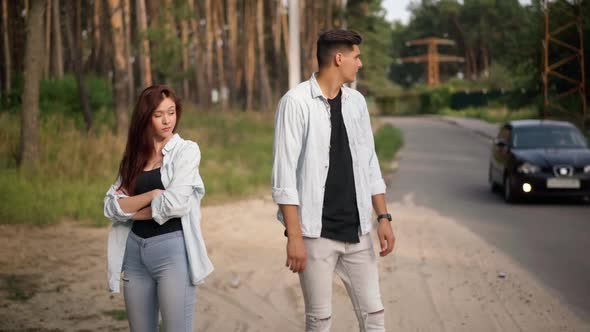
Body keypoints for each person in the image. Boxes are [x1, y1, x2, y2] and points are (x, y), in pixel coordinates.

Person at [271, 29, 395, 332]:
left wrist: (383, 216)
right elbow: (284, 174)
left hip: (358, 231)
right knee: (320, 320)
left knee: (374, 315)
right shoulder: (296, 102)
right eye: (356, 56)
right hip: (316, 233)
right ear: (339, 59)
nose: (360, 63)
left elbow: (370, 163)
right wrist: (295, 236)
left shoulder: (357, 103)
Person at [103, 85, 213, 332]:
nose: (167, 120)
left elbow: (176, 204)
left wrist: (129, 209)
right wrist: (152, 195)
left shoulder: (186, 151)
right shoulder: (133, 158)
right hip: (134, 254)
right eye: (158, 114)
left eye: (171, 112)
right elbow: (110, 206)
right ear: (146, 117)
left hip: (172, 252)